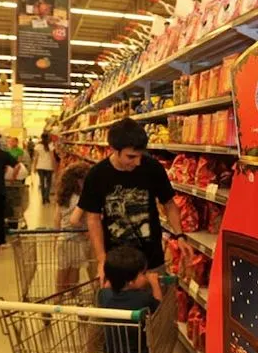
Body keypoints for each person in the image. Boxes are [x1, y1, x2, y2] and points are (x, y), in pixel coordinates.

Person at [78, 118, 194, 281]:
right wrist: (101, 259)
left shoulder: (153, 168)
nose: (138, 162)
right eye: (131, 157)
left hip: (152, 262)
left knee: (155, 304)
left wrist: (179, 235)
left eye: (140, 155)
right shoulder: (97, 175)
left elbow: (168, 203)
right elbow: (93, 219)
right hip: (116, 263)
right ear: (113, 149)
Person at [97, 246, 162, 353]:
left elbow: (106, 288)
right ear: (131, 282)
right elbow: (159, 306)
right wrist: (154, 283)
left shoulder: (103, 295)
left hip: (110, 352)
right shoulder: (143, 298)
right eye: (143, 273)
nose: (146, 275)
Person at [54, 162, 92, 291]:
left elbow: (57, 219)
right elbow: (74, 221)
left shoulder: (64, 196)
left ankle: (60, 298)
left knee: (64, 270)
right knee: (72, 271)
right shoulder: (81, 198)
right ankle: (65, 299)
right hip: (74, 239)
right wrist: (87, 232)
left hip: (64, 238)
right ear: (79, 181)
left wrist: (57, 235)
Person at [32, 132, 57, 204]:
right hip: (49, 167)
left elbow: (36, 158)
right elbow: (53, 158)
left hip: (40, 167)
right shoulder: (51, 145)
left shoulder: (38, 146)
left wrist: (34, 167)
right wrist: (54, 167)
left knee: (42, 183)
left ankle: (43, 198)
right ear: (48, 137)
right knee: (48, 183)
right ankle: (47, 197)